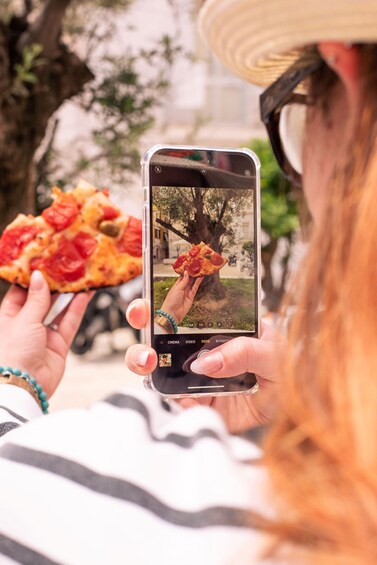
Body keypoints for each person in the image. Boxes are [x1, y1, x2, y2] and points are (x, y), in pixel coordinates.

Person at [0, 0, 375, 563]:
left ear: (341, 68)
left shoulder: (173, 497)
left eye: (291, 106)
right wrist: (307, 413)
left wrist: (16, 378)